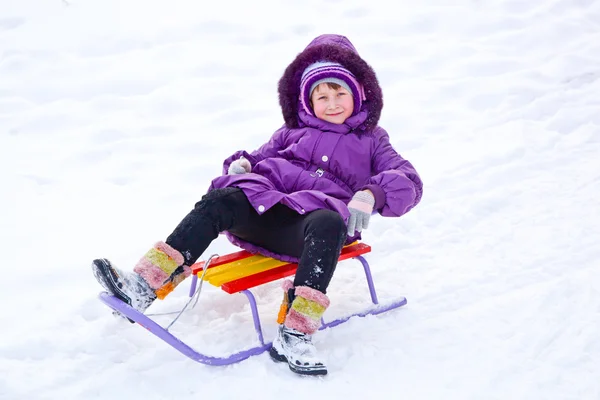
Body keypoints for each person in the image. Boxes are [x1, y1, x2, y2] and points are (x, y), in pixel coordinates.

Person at [92, 34, 423, 376]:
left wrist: (372, 193)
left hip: (310, 233)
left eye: (340, 93)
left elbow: (408, 180)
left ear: (357, 95)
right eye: (322, 96)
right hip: (265, 215)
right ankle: (143, 286)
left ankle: (296, 331)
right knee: (221, 199)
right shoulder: (291, 131)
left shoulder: (372, 141)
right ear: (308, 102)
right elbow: (260, 157)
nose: (333, 103)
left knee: (328, 222)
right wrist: (243, 166)